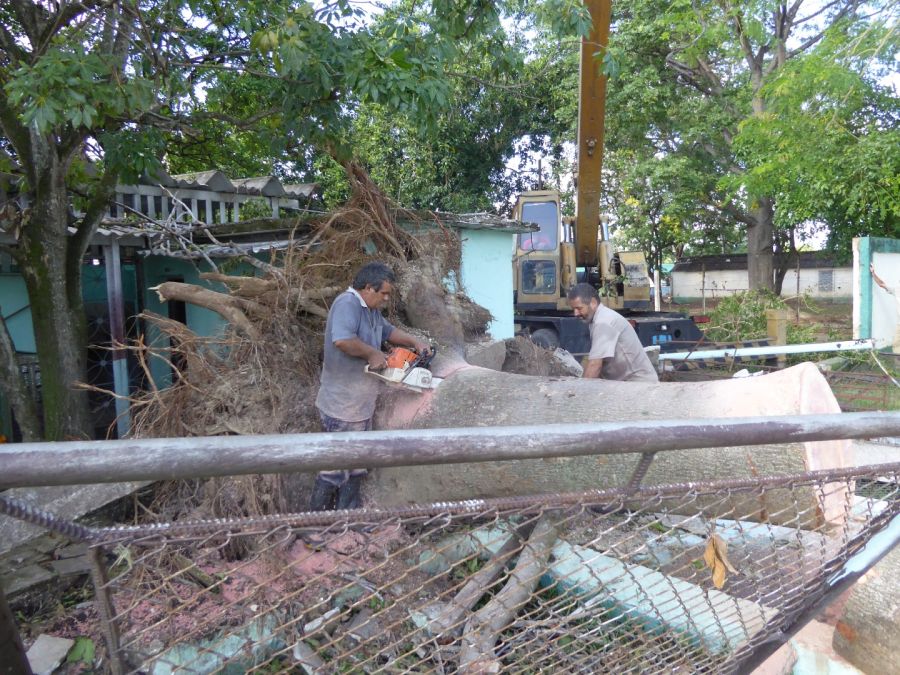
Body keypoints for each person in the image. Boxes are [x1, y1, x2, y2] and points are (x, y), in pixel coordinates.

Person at [312, 261, 432, 511]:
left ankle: (347, 520)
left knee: (357, 465)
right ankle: (312, 526)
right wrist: (372, 354)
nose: (387, 298)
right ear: (368, 288)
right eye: (384, 293)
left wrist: (414, 341)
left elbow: (387, 331)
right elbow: (342, 340)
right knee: (335, 467)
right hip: (342, 404)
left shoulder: (370, 310)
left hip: (359, 403)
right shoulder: (348, 304)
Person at [566, 282, 658, 382]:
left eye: (579, 308)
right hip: (626, 383)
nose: (575, 313)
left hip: (639, 384)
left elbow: (595, 365)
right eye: (573, 309)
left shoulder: (604, 322)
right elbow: (592, 358)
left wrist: (581, 393)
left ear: (593, 302)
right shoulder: (598, 319)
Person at [870, 263, 900, 353]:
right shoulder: (897, 290)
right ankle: (898, 364)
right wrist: (873, 273)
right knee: (896, 343)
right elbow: (882, 284)